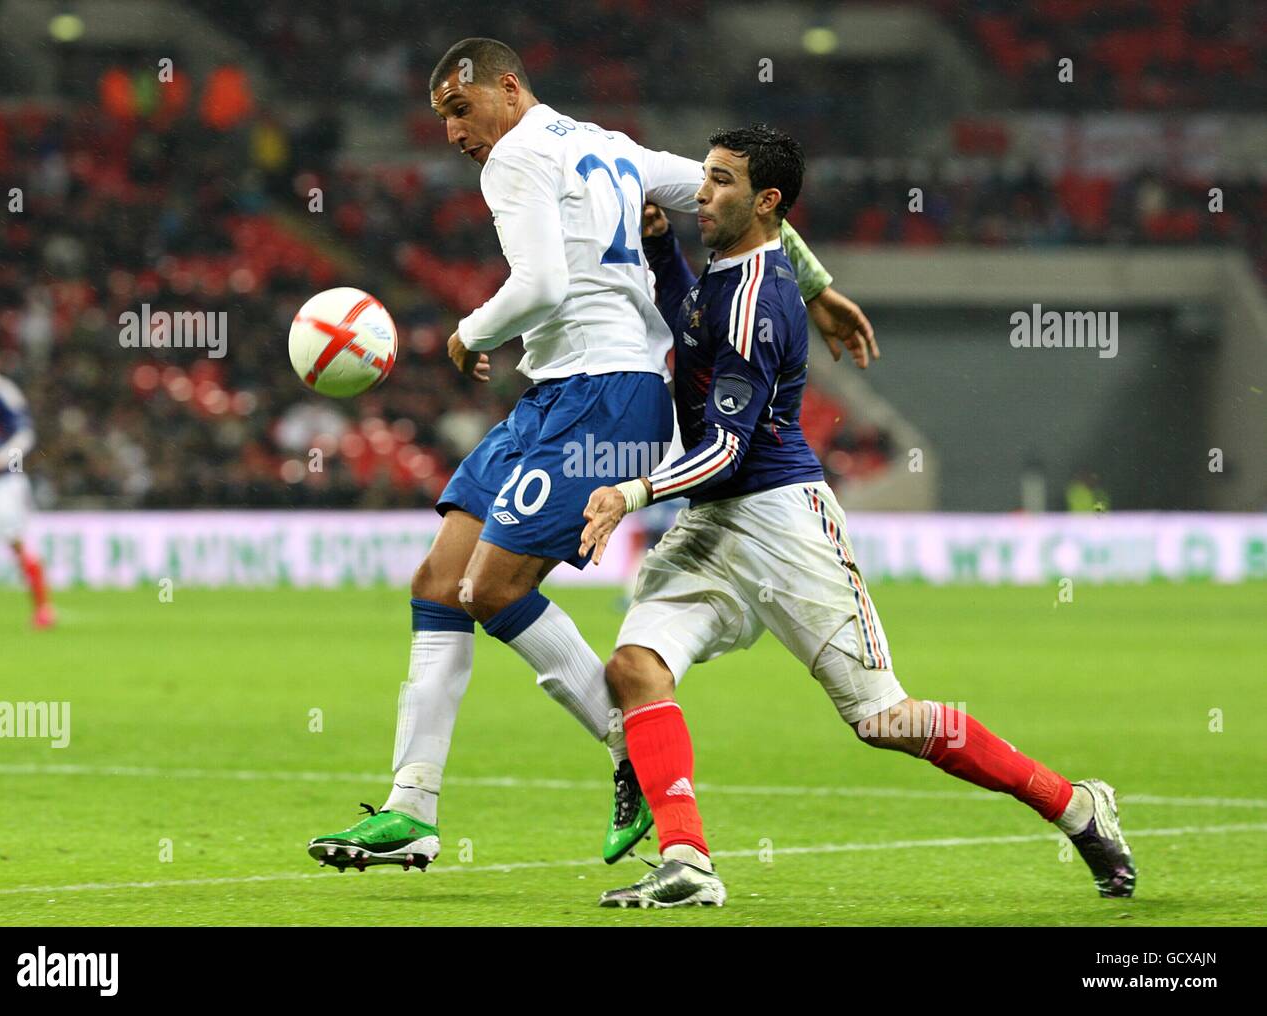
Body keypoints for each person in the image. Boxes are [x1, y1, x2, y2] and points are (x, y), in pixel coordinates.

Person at [306, 39, 868, 872]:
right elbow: (736, 200)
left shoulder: (515, 159)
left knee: (491, 588)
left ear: (507, 88)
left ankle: (631, 752)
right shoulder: (607, 146)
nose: (455, 133)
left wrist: (469, 333)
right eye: (441, 121)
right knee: (438, 584)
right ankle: (411, 810)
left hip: (606, 395)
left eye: (461, 111)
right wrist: (818, 286)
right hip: (556, 392)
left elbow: (540, 288)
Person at [578, 125, 1135, 908]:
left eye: (719, 183)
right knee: (635, 668)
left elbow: (730, 449)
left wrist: (630, 493)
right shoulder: (724, 271)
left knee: (882, 719)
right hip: (712, 525)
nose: (700, 193)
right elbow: (689, 322)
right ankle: (688, 862)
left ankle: (1076, 804)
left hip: (780, 522)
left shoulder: (760, 304)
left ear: (768, 202)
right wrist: (665, 249)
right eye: (701, 179)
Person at [0, 340, 54, 629]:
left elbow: (24, 434)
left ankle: (42, 608)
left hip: (4, 480)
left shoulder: (2, 391)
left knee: (15, 540)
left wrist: (2, 458)